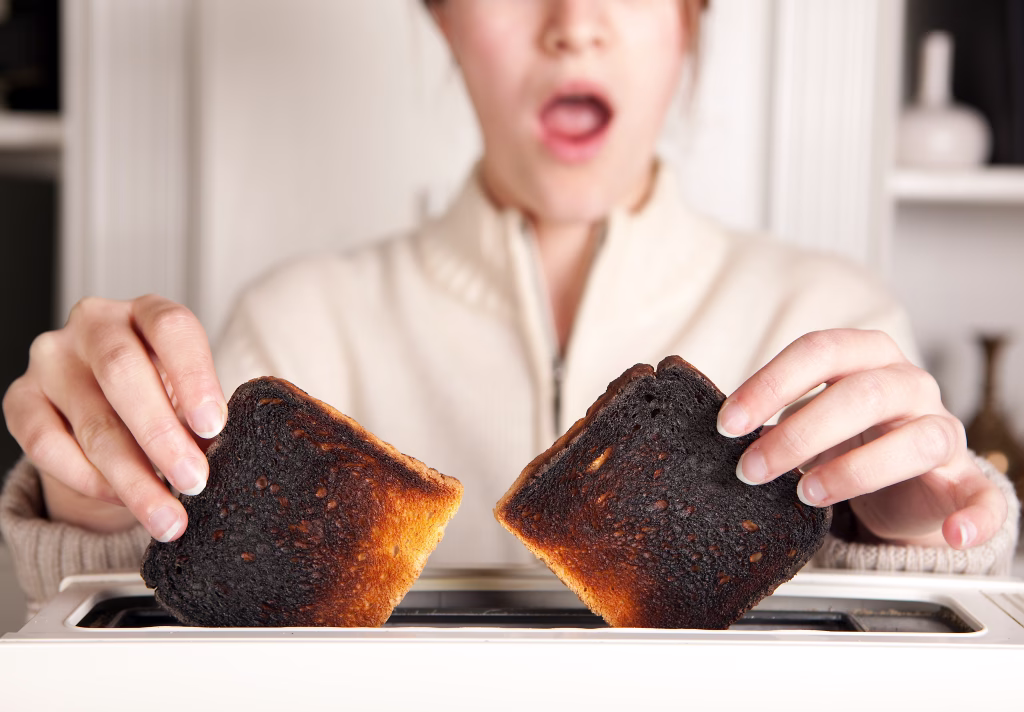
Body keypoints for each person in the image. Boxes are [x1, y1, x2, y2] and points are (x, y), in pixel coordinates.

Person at [1, 0, 1018, 618]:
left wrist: (919, 547)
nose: (573, 23)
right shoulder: (297, 327)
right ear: (441, 19)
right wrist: (96, 509)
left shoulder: (832, 319)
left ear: (690, 23)